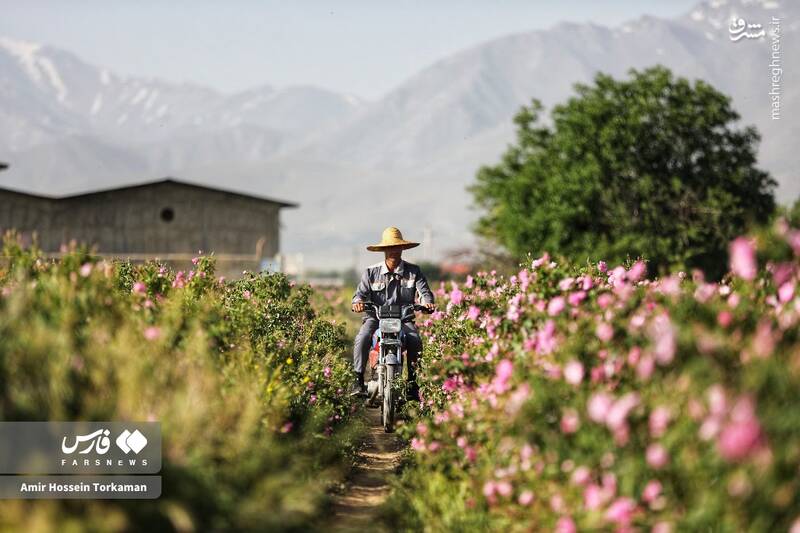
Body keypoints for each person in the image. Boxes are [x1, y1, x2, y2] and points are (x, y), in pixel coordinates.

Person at [351, 227, 435, 398]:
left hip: (403, 319)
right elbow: (359, 295)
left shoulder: (414, 271)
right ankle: (358, 380)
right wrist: (358, 303)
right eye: (390, 247)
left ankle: (413, 383)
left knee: (415, 340)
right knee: (363, 337)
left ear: (402, 248)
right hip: (375, 317)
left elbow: (425, 292)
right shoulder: (370, 272)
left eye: (397, 247)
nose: (393, 251)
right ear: (383, 250)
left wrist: (427, 303)